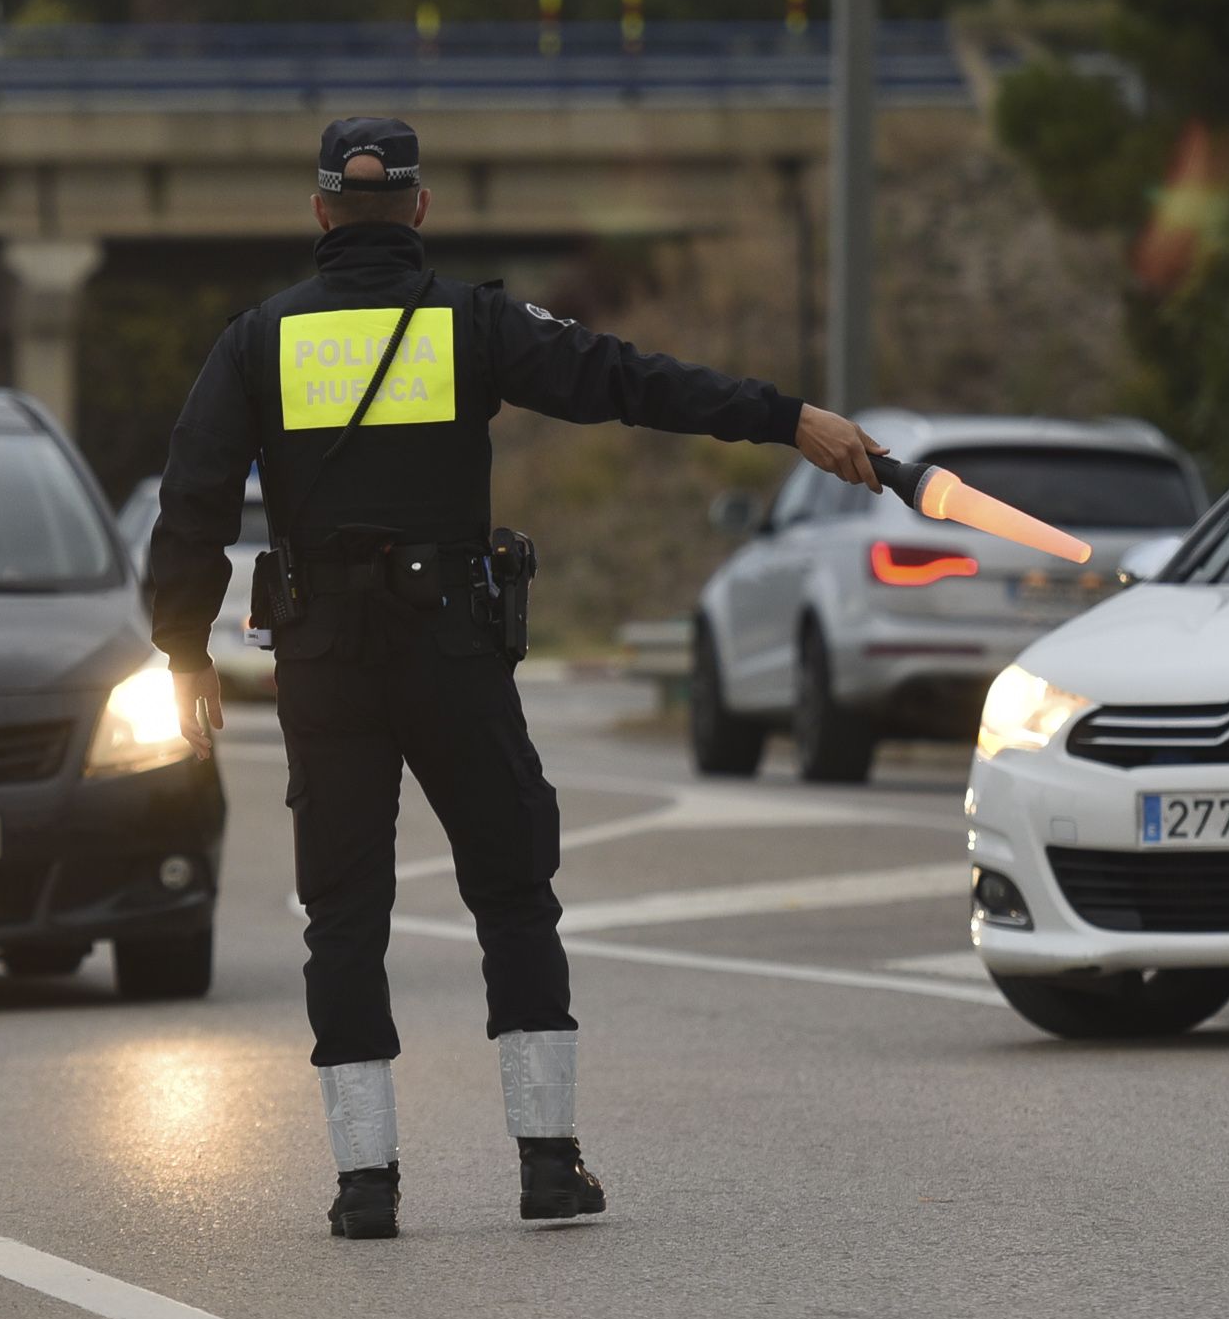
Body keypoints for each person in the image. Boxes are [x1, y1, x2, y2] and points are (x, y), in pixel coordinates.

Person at [143, 116, 884, 1239]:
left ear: (321, 212)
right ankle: (547, 1163)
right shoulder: (473, 324)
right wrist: (786, 418)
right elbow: (627, 381)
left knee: (343, 912)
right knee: (512, 890)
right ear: (421, 208)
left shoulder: (258, 341)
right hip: (451, 648)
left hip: (325, 661)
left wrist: (183, 648)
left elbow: (192, 500)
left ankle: (364, 1184)